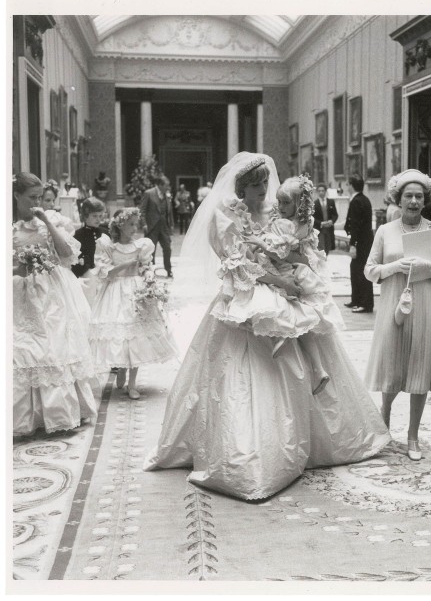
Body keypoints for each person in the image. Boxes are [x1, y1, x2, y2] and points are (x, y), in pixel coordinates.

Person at [143, 152, 390, 501]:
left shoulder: (277, 213)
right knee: (244, 374)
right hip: (246, 297)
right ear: (241, 188)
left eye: (264, 184)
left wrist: (294, 267)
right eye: (255, 186)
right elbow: (238, 265)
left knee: (308, 337)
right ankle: (251, 452)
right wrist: (280, 282)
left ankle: (317, 436)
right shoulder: (227, 217)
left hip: (284, 291)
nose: (263, 190)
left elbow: (296, 247)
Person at [364, 169, 431, 461]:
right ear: (398, 199)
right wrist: (395, 267)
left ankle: (413, 435)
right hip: (395, 304)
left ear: (425, 199)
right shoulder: (385, 231)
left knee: (419, 367)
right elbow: (370, 271)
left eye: (419, 196)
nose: (414, 201)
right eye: (409, 196)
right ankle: (385, 417)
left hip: (429, 304)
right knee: (393, 366)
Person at [230, 175, 342, 395]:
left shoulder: (285, 224)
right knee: (295, 304)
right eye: (279, 202)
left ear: (299, 204)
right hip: (300, 269)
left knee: (285, 297)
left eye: (285, 203)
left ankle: (285, 334)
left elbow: (281, 254)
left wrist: (260, 243)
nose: (280, 206)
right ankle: (317, 367)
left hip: (290, 269)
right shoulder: (302, 222)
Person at [12, 172, 97, 437]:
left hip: (51, 295)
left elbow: (67, 254)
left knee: (53, 348)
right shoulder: (10, 228)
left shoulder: (50, 221)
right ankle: (22, 419)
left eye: (41, 197)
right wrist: (19, 267)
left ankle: (59, 413)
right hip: (20, 293)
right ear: (16, 196)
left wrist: (47, 221)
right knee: (22, 349)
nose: (38, 202)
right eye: (32, 198)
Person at [88, 208, 177, 399]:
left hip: (136, 291)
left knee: (137, 336)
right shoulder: (109, 247)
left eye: (136, 224)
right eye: (130, 224)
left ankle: (132, 383)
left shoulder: (142, 246)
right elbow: (106, 273)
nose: (135, 227)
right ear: (120, 225)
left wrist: (150, 279)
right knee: (122, 335)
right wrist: (126, 265)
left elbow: (146, 267)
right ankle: (121, 369)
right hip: (115, 292)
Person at [344, 175, 375, 313]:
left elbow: (356, 225)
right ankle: (356, 299)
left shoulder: (356, 201)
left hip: (361, 243)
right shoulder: (364, 199)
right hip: (366, 242)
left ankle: (365, 303)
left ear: (351, 185)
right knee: (356, 270)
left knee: (361, 272)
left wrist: (353, 244)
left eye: (348, 184)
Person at [72, 197, 110, 305]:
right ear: (85, 216)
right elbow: (75, 256)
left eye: (100, 216)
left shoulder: (105, 232)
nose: (98, 219)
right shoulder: (78, 234)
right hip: (87, 272)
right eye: (94, 216)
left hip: (104, 270)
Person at [139, 175, 174, 277]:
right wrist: (144, 224)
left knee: (167, 248)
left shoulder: (167, 195)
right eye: (166, 186)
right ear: (159, 185)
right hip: (152, 227)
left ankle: (168, 269)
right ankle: (150, 271)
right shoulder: (149, 193)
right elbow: (142, 210)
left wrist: (171, 224)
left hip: (164, 227)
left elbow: (169, 212)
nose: (167, 188)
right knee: (150, 251)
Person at [312, 182, 338, 255]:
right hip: (320, 229)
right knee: (321, 248)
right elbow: (313, 218)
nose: (321, 192)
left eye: (322, 190)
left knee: (328, 247)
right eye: (319, 191)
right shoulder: (315, 204)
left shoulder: (331, 202)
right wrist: (320, 223)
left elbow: (335, 215)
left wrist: (332, 221)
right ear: (317, 192)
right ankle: (322, 263)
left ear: (325, 191)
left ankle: (326, 261)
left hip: (329, 229)